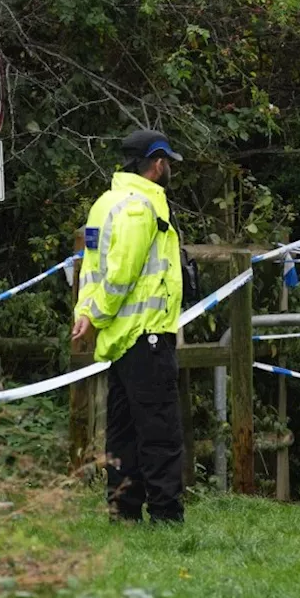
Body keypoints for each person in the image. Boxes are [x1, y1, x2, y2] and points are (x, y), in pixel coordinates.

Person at [72, 129, 186, 524]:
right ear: (156, 164)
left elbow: (90, 268)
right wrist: (98, 313)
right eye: (167, 160)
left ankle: (123, 511)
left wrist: (85, 314)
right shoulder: (142, 207)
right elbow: (121, 274)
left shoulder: (105, 204)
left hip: (118, 341)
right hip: (146, 334)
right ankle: (167, 516)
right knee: (159, 431)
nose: (169, 167)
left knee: (122, 432)